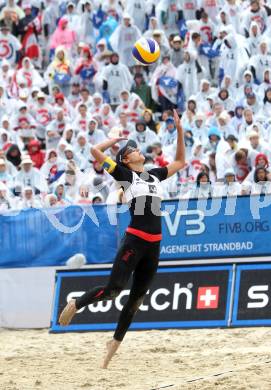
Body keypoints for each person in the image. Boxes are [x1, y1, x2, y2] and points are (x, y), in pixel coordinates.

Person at [58, 109, 185, 368]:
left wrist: (180, 131)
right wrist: (114, 142)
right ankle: (77, 302)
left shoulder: (156, 174)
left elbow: (181, 162)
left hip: (154, 244)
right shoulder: (124, 175)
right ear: (126, 159)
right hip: (135, 241)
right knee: (115, 289)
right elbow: (95, 151)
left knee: (136, 300)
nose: (138, 151)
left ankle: (112, 347)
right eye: (133, 150)